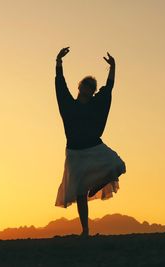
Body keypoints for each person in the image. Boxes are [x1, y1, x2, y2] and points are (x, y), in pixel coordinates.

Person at [54, 47, 126, 237]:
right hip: (75, 153)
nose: (87, 88)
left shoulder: (96, 105)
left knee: (118, 166)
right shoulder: (69, 106)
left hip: (94, 147)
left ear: (93, 91)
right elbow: (60, 88)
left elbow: (109, 89)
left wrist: (113, 68)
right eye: (85, 85)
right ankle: (85, 230)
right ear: (80, 88)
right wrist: (59, 63)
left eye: (90, 87)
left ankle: (95, 187)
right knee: (79, 194)